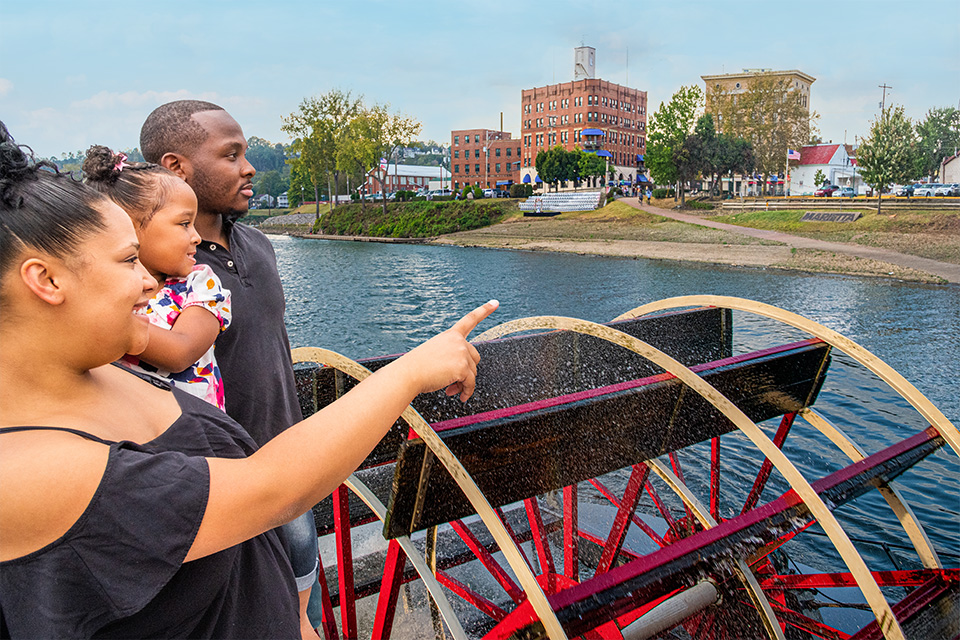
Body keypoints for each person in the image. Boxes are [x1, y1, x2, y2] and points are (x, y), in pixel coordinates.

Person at [0, 120, 497, 637]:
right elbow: (271, 490)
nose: (148, 280)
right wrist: (411, 371)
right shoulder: (25, 471)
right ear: (46, 280)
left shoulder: (102, 371)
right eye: (129, 260)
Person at [139, 100, 318, 636]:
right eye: (231, 155)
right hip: (216, 488)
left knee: (300, 615)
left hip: (288, 465)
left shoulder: (259, 244)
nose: (249, 168)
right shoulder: (152, 275)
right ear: (177, 168)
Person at [82, 146, 232, 409]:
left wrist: (98, 322)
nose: (197, 237)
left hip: (197, 432)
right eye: (184, 224)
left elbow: (181, 352)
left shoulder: (199, 284)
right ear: (127, 227)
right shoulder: (99, 290)